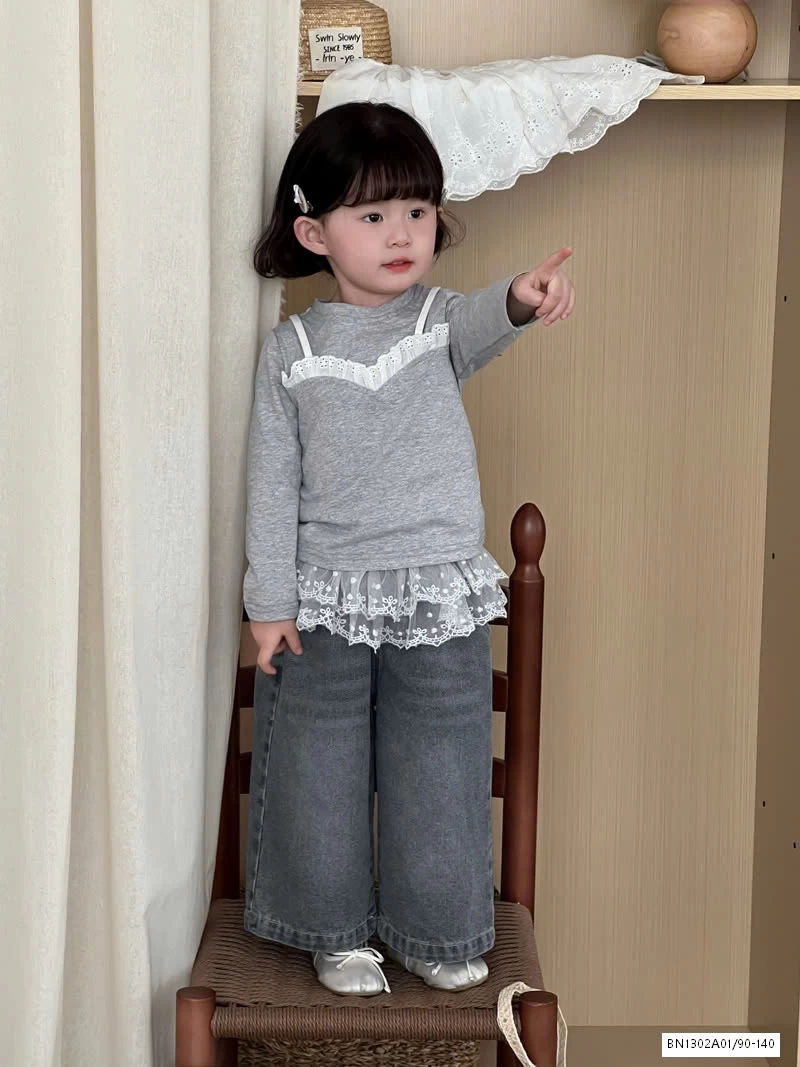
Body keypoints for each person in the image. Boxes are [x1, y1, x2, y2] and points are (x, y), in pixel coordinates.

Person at [243, 101, 574, 997]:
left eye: (418, 211)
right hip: (324, 598)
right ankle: (329, 929)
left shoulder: (439, 322)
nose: (402, 233)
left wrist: (524, 294)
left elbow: (491, 317)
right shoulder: (290, 350)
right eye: (373, 214)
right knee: (317, 764)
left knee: (442, 761)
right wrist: (269, 605)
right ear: (314, 232)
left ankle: (435, 929)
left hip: (438, 594)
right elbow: (271, 484)